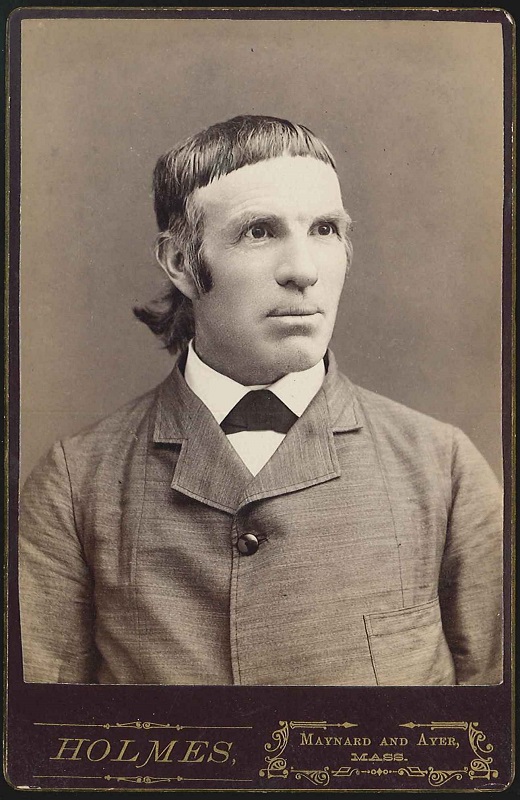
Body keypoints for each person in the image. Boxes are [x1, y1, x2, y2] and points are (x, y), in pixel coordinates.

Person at [19, 114, 502, 686]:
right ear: (181, 264)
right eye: (260, 231)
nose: (303, 270)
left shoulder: (443, 468)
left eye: (325, 229)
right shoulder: (77, 484)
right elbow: (43, 743)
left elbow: (496, 742)